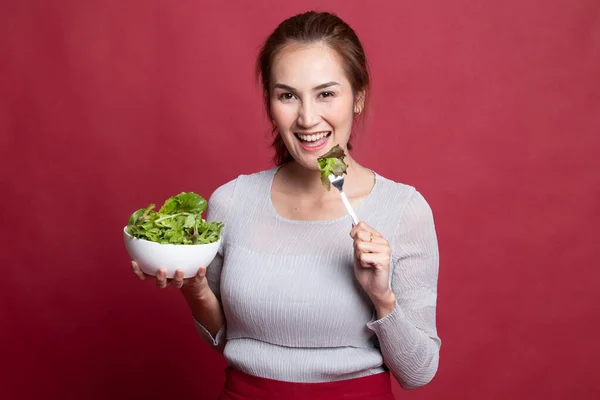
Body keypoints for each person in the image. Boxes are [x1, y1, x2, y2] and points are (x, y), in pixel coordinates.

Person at [131, 10, 441, 400]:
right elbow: (225, 338)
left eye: (326, 93)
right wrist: (195, 290)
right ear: (271, 104)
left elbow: (418, 373)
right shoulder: (232, 201)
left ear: (358, 96)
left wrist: (383, 298)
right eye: (287, 95)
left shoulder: (404, 210)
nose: (308, 118)